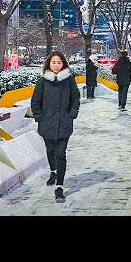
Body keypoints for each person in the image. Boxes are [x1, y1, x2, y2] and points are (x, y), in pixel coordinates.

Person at [31, 51, 81, 203]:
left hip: (64, 123)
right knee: (50, 150)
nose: (56, 65)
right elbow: (35, 101)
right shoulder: (42, 81)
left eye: (59, 62)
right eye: (53, 62)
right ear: (48, 64)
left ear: (63, 64)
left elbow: (75, 98)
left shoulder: (69, 80)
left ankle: (59, 187)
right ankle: (53, 172)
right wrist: (40, 118)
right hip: (47, 124)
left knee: (61, 153)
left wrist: (71, 114)